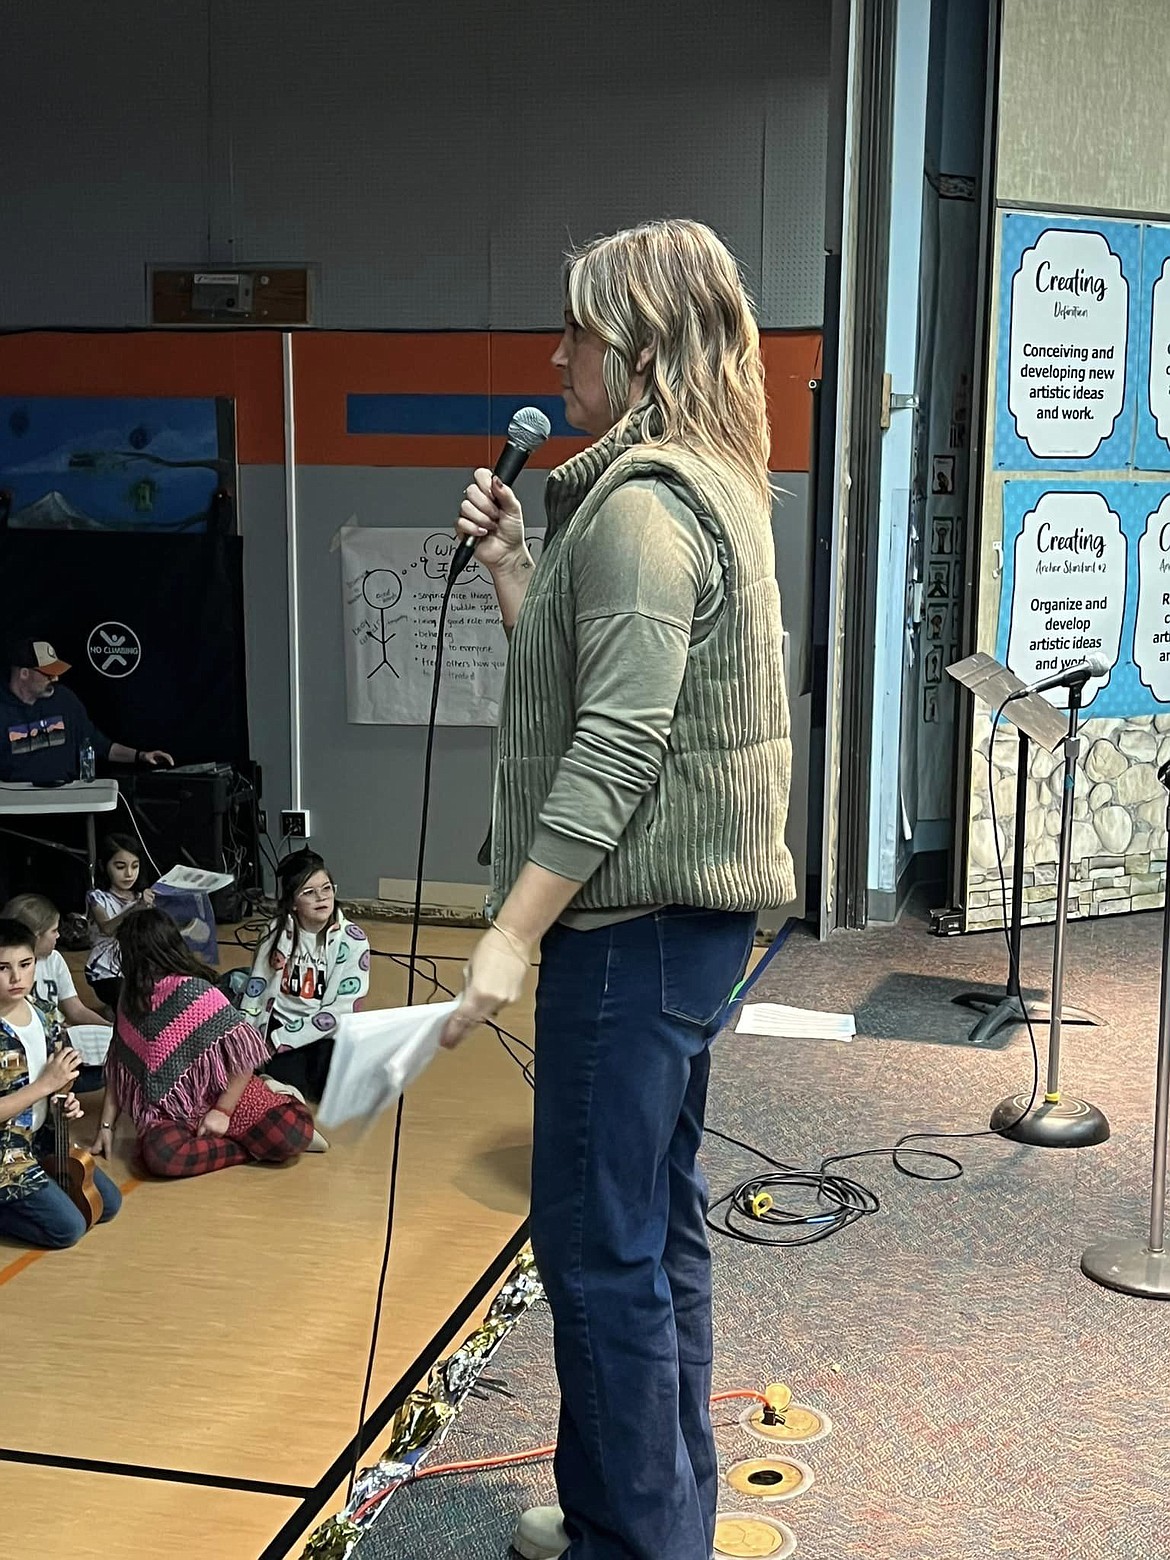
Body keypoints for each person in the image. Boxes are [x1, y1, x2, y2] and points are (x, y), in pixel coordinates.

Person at [441, 220, 793, 1560]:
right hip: (680, 936)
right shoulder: (693, 483)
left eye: (575, 332)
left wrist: (507, 937)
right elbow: (611, 693)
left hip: (630, 938)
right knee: (649, 1236)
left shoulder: (644, 507)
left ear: (637, 351)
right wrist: (515, 570)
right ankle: (643, 1514)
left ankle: (636, 1542)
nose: (554, 355)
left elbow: (615, 746)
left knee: (597, 1255)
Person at [91, 908, 313, 1178]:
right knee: (163, 1157)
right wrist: (106, 1127)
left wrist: (221, 1111)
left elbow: (245, 1058)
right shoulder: (129, 996)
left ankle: (275, 1093)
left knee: (292, 1133)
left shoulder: (198, 992)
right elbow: (119, 1067)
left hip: (220, 1091)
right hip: (169, 1108)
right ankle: (246, 1149)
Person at [0, 917, 122, 1248]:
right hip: (5, 1155)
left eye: (25, 965)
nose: (16, 977)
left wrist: (63, 1099)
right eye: (3, 968)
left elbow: (59, 1081)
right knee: (67, 1229)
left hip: (40, 1141)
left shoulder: (44, 1015)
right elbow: (40, 1085)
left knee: (106, 1206)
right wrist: (42, 1087)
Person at [240, 849, 369, 1103]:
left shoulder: (353, 940)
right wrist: (249, 1042)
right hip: (281, 1026)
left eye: (327, 888)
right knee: (285, 1091)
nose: (321, 898)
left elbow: (340, 1012)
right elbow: (256, 990)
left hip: (324, 1032)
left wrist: (281, 1040)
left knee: (337, 1094)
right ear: (292, 902)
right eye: (309, 892)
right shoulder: (275, 932)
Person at [0, 638, 173, 783]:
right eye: (48, 673)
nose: (56, 678)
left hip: (66, 801)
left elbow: (98, 745)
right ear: (24, 673)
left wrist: (141, 756)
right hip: (14, 805)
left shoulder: (64, 701)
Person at [3, 892, 110, 1091]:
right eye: (53, 930)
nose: (59, 936)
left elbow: (75, 1009)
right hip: (22, 1052)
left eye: (25, 965)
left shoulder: (54, 959)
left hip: (57, 1043)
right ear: (35, 935)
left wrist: (110, 1028)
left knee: (106, 1070)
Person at [85, 834, 155, 1013]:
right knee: (129, 1002)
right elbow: (107, 928)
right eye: (120, 867)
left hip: (137, 965)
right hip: (105, 970)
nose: (129, 874)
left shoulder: (142, 898)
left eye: (135, 866)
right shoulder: (97, 897)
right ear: (103, 866)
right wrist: (136, 908)